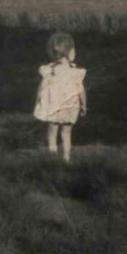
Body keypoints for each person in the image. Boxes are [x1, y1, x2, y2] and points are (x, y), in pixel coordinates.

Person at [33, 30, 86, 162]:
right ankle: (66, 158)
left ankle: (52, 155)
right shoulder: (75, 71)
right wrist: (84, 105)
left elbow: (42, 87)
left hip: (54, 106)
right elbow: (81, 91)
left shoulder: (49, 70)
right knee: (67, 132)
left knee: (52, 130)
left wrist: (37, 102)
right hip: (70, 106)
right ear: (71, 53)